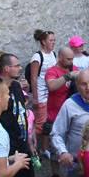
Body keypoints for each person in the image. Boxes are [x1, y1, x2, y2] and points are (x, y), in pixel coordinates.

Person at [0, 53, 49, 177]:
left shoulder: (17, 87)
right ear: (6, 69)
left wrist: (29, 140)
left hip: (22, 143)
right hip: (6, 146)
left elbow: (22, 115)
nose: (20, 68)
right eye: (16, 65)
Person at [44, 47, 76, 177]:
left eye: (72, 58)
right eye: (68, 59)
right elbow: (51, 86)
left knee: (72, 144)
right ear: (60, 57)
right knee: (55, 147)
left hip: (71, 115)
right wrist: (68, 77)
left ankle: (73, 173)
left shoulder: (74, 68)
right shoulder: (52, 71)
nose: (71, 61)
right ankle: (55, 175)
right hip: (54, 115)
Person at [28, 29, 58, 157]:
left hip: (51, 94)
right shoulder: (37, 57)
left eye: (54, 40)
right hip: (40, 94)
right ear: (43, 42)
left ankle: (45, 148)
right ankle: (33, 148)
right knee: (40, 124)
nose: (53, 43)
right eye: (51, 40)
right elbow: (33, 78)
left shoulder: (53, 54)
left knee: (48, 122)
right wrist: (35, 98)